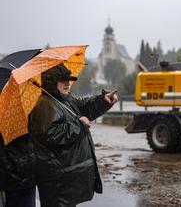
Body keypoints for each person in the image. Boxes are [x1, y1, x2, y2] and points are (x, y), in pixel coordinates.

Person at [28, 64, 118, 207]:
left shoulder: (65, 99)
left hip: (66, 177)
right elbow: (50, 134)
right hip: (56, 181)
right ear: (51, 83)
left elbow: (84, 106)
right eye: (63, 80)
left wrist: (103, 100)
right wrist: (78, 124)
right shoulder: (44, 105)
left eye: (68, 79)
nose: (67, 83)